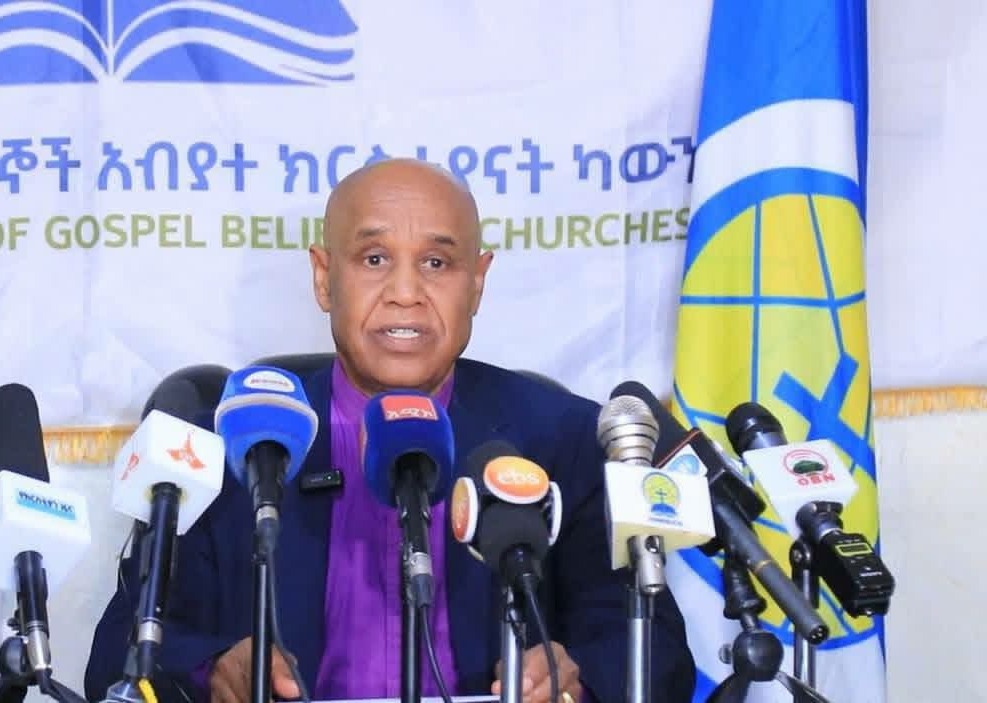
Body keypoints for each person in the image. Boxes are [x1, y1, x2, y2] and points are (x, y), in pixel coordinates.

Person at [85, 159, 696, 702]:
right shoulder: (225, 445)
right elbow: (120, 652)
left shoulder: (562, 440)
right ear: (324, 278)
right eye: (374, 259)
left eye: (437, 263)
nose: (405, 293)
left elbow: (657, 655)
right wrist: (213, 672)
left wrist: (576, 678)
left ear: (477, 282)